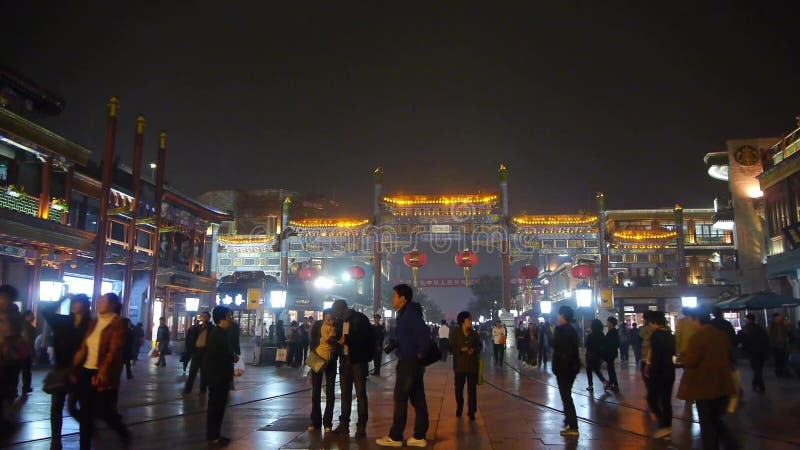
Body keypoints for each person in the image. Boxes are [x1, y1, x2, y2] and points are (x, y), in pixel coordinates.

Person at [72, 293, 130, 450]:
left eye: (103, 301)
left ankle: (121, 430)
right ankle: (84, 446)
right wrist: (74, 367)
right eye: (99, 300)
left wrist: (103, 372)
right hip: (86, 371)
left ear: (112, 305)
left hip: (103, 373)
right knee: (85, 413)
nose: (99, 303)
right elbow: (84, 347)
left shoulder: (119, 323)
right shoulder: (94, 322)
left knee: (101, 410)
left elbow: (113, 351)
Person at [376, 284, 429, 448]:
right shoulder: (406, 313)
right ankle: (419, 436)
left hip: (408, 363)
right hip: (412, 361)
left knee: (400, 398)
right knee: (418, 399)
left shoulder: (410, 315)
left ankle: (395, 436)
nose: (393, 299)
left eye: (394, 296)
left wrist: (420, 353)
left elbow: (424, 333)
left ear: (403, 298)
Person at [677, 308, 736, 450]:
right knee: (716, 419)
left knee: (707, 423)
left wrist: (682, 358)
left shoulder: (698, 336)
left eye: (693, 320)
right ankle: (731, 444)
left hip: (704, 385)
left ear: (697, 319)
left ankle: (714, 446)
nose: (692, 323)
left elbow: (692, 361)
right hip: (722, 383)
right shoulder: (721, 335)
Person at [42, 293, 89, 450]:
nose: (75, 305)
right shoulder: (64, 321)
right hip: (62, 369)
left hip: (82, 371)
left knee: (75, 406)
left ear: (85, 305)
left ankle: (86, 439)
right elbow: (46, 311)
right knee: (56, 406)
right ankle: (55, 441)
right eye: (74, 302)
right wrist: (63, 297)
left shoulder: (90, 324)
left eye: (79, 302)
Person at [331, 299, 374, 438]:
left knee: (360, 394)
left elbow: (367, 339)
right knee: (345, 394)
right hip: (344, 360)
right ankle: (344, 424)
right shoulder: (339, 322)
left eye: (337, 312)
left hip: (358, 361)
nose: (336, 315)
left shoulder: (360, 319)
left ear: (343, 309)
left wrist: (347, 340)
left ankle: (361, 426)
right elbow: (338, 339)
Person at [204, 306, 236, 447]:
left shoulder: (221, 333)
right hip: (218, 377)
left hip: (220, 377)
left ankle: (216, 435)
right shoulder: (218, 334)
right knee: (216, 408)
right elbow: (219, 356)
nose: (231, 319)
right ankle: (213, 436)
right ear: (222, 318)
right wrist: (231, 358)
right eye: (229, 316)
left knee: (219, 408)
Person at [553, 306, 581, 437]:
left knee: (566, 397)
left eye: (559, 315)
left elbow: (555, 345)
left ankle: (573, 426)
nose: (558, 317)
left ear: (563, 315)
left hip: (563, 368)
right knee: (566, 395)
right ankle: (568, 420)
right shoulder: (572, 330)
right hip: (571, 368)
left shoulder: (561, 330)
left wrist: (554, 333)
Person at [647, 312, 676, 440]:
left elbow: (655, 356)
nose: (650, 325)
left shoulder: (656, 335)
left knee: (652, 399)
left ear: (654, 323)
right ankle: (667, 427)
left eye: (650, 323)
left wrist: (650, 369)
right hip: (669, 370)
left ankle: (663, 424)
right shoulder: (670, 335)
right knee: (666, 401)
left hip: (658, 372)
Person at [309, 309, 338, 432]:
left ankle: (327, 422)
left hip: (330, 360)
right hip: (317, 357)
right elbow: (312, 342)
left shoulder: (336, 327)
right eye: (327, 317)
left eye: (331, 318)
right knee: (316, 391)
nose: (330, 320)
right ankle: (316, 421)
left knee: (330, 391)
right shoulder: (317, 326)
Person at [449, 311, 481, 421]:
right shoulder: (455, 332)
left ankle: (472, 411)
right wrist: (459, 349)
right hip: (459, 366)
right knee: (459, 389)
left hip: (472, 366)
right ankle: (459, 407)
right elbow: (451, 347)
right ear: (463, 321)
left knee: (472, 391)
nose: (471, 322)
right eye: (469, 320)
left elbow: (480, 346)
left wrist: (474, 349)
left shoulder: (474, 334)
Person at [0, 285, 24, 432]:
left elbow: (15, 338)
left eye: (6, 298)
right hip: (7, 359)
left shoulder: (15, 316)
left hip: (10, 360)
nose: (3, 300)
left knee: (7, 390)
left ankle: (5, 418)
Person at [738, 313, 769, 392]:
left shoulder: (745, 329)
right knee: (759, 369)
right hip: (761, 351)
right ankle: (756, 383)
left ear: (747, 319)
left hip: (752, 352)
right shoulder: (760, 328)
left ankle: (759, 384)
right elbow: (766, 340)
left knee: (756, 369)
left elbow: (740, 340)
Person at [184, 312, 214, 394]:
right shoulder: (196, 327)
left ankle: (203, 389)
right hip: (196, 352)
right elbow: (191, 338)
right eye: (202, 316)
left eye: (205, 316)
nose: (203, 318)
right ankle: (187, 389)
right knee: (192, 372)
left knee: (204, 373)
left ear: (208, 318)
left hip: (205, 352)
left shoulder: (211, 328)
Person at [584, 319, 607, 392]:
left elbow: (587, 345)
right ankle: (604, 382)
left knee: (589, 370)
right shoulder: (601, 333)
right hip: (598, 355)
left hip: (590, 355)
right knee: (596, 369)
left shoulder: (591, 335)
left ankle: (591, 385)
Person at [769, 313, 790, 377]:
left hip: (783, 344)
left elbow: (788, 332)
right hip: (776, 345)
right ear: (775, 318)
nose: (779, 319)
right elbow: (770, 334)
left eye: (779, 317)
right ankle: (778, 371)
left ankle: (782, 371)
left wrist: (787, 325)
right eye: (777, 318)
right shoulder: (772, 325)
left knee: (783, 358)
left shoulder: (783, 324)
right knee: (777, 358)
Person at [20, 309, 36, 395]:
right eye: (32, 315)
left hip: (22, 351)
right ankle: (26, 387)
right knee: (26, 371)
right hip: (25, 351)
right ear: (27, 316)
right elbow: (28, 340)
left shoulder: (22, 326)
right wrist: (32, 352)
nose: (33, 317)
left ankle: (24, 388)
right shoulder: (28, 327)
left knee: (23, 371)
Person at [603, 316, 620, 391]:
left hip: (610, 353)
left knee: (610, 368)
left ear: (611, 323)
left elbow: (612, 343)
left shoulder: (613, 332)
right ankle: (612, 383)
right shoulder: (612, 331)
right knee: (610, 368)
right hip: (611, 353)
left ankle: (613, 384)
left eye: (608, 322)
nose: (607, 323)